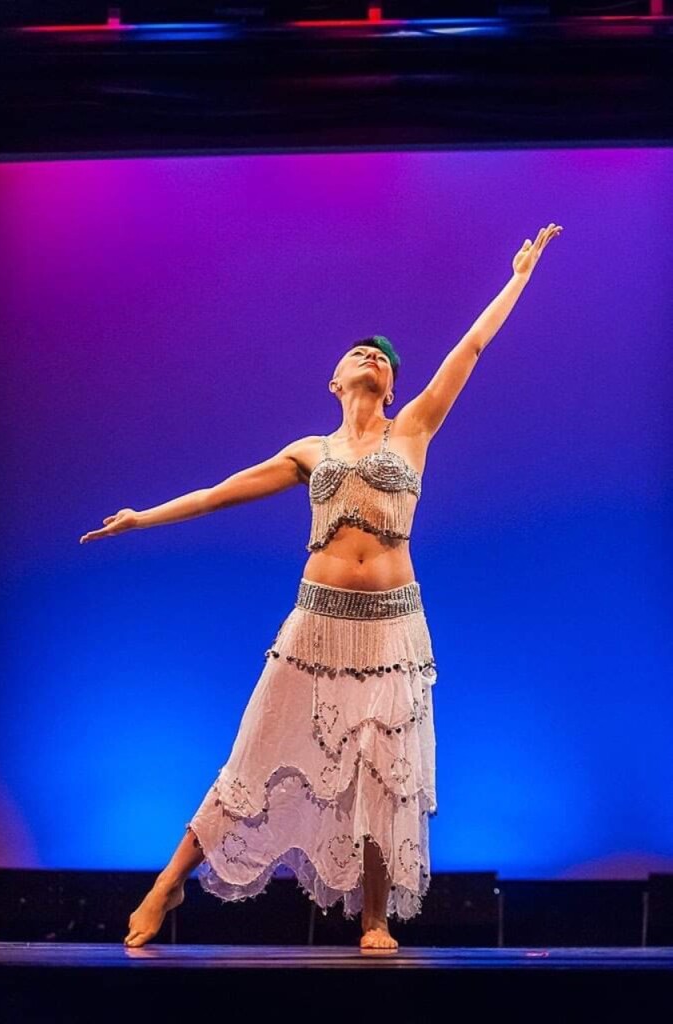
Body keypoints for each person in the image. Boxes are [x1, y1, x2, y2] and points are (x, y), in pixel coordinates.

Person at [79, 224, 562, 951]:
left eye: (385, 359)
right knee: (256, 754)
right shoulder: (312, 450)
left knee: (378, 772)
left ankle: (373, 917)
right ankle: (168, 881)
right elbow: (220, 492)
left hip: (392, 625)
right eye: (360, 353)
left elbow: (471, 348)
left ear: (394, 386)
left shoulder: (415, 431)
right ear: (335, 381)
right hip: (316, 623)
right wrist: (144, 517)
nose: (374, 356)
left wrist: (519, 275)